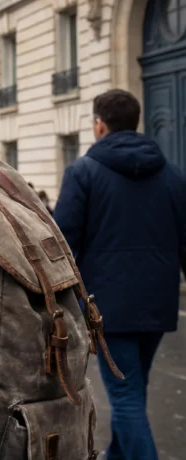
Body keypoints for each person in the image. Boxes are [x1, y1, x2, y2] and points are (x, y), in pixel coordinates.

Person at [54, 89, 186, 460]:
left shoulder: (82, 172)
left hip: (108, 304)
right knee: (134, 386)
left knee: (126, 395)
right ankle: (117, 454)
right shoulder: (172, 175)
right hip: (158, 302)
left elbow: (62, 243)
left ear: (99, 125)